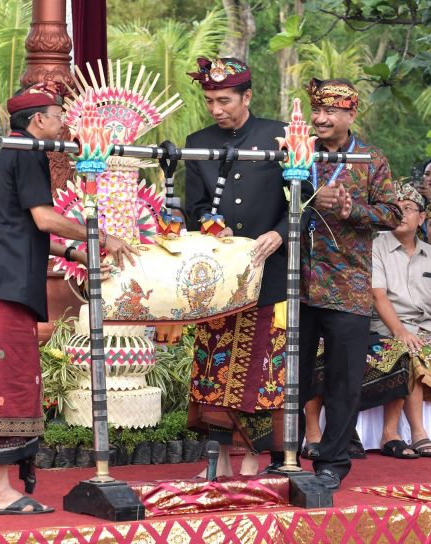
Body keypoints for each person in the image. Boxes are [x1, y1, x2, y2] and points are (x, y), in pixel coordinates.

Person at [0, 81, 137, 515]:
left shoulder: (10, 152)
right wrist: (102, 237)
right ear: (37, 121)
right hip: (1, 287)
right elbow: (43, 217)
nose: (63, 123)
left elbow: (19, 228)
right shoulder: (29, 151)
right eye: (58, 115)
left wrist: (76, 252)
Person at [185, 57, 305, 476]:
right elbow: (194, 208)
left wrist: (281, 233)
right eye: (209, 100)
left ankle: (256, 457)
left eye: (224, 100)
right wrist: (208, 227)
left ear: (247, 96)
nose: (216, 109)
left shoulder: (280, 136)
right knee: (214, 364)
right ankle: (216, 459)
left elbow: (302, 201)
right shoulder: (197, 140)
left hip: (270, 273)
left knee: (264, 368)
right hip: (220, 277)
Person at [298, 78, 402, 490]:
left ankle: (333, 464)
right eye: (317, 110)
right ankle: (284, 456)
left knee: (343, 384)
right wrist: (307, 198)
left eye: (331, 112)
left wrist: (351, 208)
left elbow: (393, 214)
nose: (321, 118)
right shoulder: (298, 150)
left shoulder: (371, 159)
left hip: (348, 286)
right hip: (297, 287)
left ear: (350, 114)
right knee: (292, 378)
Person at [369, 184, 431, 458]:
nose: (400, 213)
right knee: (411, 350)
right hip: (385, 324)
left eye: (407, 208)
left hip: (425, 326)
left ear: (421, 218)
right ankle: (419, 434)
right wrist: (399, 331)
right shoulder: (376, 245)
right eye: (394, 208)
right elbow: (377, 296)